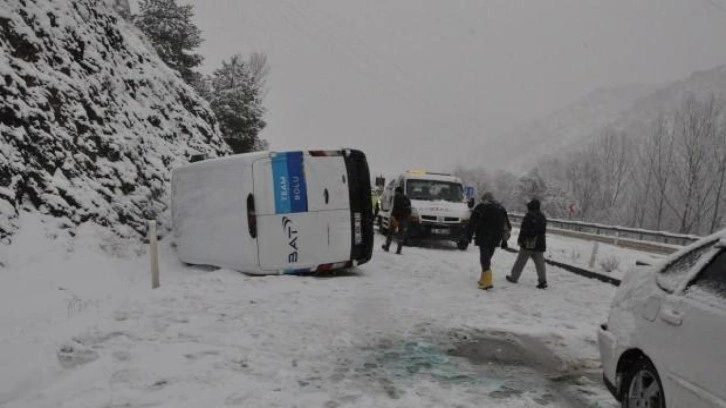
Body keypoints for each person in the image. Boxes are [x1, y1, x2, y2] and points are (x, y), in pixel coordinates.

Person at [462, 192, 509, 290]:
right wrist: (505, 239)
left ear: (484, 199)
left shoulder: (481, 207)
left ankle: (487, 281)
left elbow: (472, 223)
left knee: (484, 257)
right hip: (496, 237)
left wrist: (468, 236)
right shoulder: (501, 208)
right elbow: (506, 226)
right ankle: (483, 278)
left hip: (484, 235)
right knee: (488, 257)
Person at [506, 198, 548, 289]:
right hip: (539, 243)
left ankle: (514, 277)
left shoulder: (529, 216)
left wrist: (521, 240)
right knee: (540, 263)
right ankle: (543, 280)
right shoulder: (542, 216)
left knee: (521, 261)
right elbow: (543, 230)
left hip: (528, 243)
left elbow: (524, 230)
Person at [382, 186, 412, 254]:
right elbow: (409, 210)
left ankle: (387, 247)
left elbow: (395, 208)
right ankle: (399, 250)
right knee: (401, 235)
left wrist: (394, 218)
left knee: (390, 233)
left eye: (396, 192)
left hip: (396, 217)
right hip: (404, 218)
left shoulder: (396, 197)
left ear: (397, 191)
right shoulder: (407, 198)